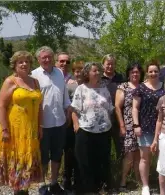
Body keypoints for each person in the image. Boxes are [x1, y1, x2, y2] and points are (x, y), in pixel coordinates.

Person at [0, 51, 43, 195]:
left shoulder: (35, 82)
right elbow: (1, 106)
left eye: (27, 61)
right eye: (20, 62)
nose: (24, 64)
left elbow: (40, 107)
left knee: (27, 166)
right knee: (17, 164)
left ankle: (24, 191)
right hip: (15, 130)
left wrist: (40, 126)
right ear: (14, 65)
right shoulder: (11, 81)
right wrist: (4, 129)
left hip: (31, 130)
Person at [31, 46, 71, 194]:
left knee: (56, 154)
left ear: (53, 58)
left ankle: (54, 183)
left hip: (59, 121)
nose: (47, 59)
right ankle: (42, 184)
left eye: (49, 57)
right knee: (42, 156)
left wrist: (67, 110)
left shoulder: (59, 72)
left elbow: (64, 94)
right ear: (38, 59)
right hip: (43, 124)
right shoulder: (34, 75)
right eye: (43, 57)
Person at [71, 62, 114, 194]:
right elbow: (74, 110)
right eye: (94, 71)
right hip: (85, 130)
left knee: (101, 161)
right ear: (87, 73)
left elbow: (110, 108)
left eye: (98, 71)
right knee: (85, 161)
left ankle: (101, 187)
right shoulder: (81, 89)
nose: (98, 73)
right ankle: (86, 189)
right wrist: (76, 126)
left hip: (103, 131)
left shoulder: (104, 89)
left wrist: (108, 124)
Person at [132, 60, 165, 195]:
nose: (153, 73)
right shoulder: (140, 88)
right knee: (145, 158)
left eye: (156, 71)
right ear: (147, 73)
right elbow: (135, 108)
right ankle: (145, 186)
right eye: (151, 71)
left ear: (159, 72)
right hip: (145, 127)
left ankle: (163, 186)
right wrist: (136, 125)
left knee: (162, 157)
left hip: (164, 127)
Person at [115, 63, 144, 191]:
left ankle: (139, 181)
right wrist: (122, 126)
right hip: (127, 125)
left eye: (137, 72)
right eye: (132, 72)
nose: (135, 74)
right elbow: (117, 107)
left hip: (142, 126)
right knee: (129, 155)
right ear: (128, 73)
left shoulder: (144, 87)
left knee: (139, 155)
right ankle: (123, 182)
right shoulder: (123, 87)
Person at [61, 60, 84, 191]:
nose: (78, 73)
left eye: (81, 71)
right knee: (69, 153)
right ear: (73, 72)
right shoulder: (69, 86)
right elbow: (66, 104)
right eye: (76, 71)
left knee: (81, 153)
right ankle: (66, 179)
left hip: (85, 125)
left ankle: (79, 180)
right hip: (70, 124)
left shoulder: (88, 86)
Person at [101, 54, 125, 164]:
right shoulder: (99, 79)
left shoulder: (121, 78)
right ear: (103, 65)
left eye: (112, 64)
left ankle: (122, 173)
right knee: (104, 148)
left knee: (121, 147)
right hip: (103, 118)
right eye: (108, 64)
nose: (110, 66)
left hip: (119, 118)